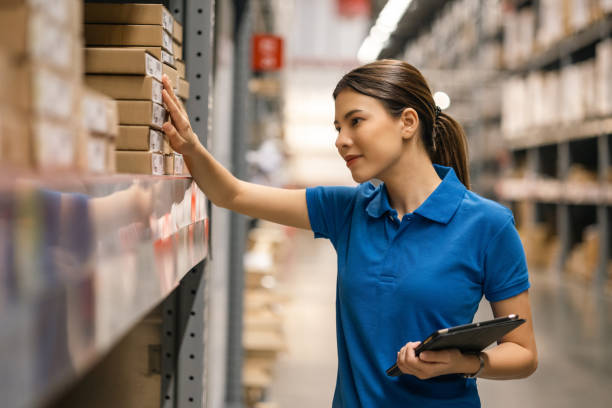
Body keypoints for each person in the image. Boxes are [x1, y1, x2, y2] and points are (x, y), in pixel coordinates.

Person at [160, 59, 538, 407]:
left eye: (355, 122)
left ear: (408, 122)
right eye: (338, 127)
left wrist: (465, 362)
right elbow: (232, 193)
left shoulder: (488, 225)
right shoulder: (348, 211)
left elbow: (522, 352)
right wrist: (190, 147)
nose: (340, 140)